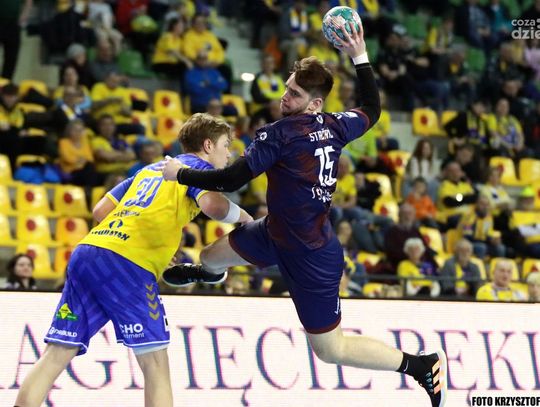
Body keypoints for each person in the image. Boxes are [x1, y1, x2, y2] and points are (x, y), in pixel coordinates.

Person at [161, 23, 447, 407]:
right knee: (209, 257)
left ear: (314, 104)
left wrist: (180, 174)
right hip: (275, 232)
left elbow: (231, 178)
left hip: (312, 255)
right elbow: (372, 109)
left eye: (294, 93)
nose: (285, 96)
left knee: (330, 350)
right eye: (287, 87)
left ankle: (420, 365)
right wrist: (359, 57)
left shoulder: (278, 135)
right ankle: (211, 274)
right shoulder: (335, 125)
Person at [13, 113, 252, 407]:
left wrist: (151, 235)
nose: (228, 154)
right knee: (155, 363)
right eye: (226, 145)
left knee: (58, 351)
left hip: (89, 251)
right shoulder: (196, 171)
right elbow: (214, 206)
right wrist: (246, 219)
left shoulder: (147, 170)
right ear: (208, 145)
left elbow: (100, 211)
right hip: (127, 264)